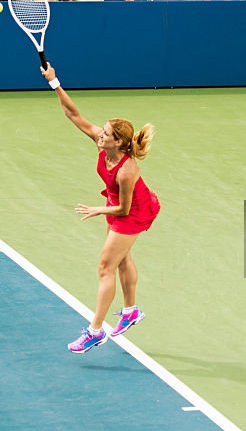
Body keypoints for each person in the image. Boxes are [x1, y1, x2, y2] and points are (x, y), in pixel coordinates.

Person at [39, 65, 160, 354]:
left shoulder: (127, 170)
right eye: (102, 132)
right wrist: (55, 82)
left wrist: (97, 209)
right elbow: (74, 114)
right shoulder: (102, 143)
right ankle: (130, 311)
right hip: (116, 203)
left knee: (106, 266)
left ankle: (95, 331)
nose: (100, 135)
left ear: (119, 142)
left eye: (105, 134)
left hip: (133, 211)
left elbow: (125, 209)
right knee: (121, 257)